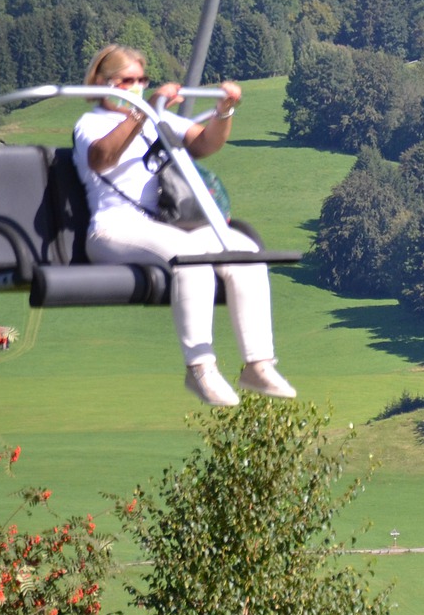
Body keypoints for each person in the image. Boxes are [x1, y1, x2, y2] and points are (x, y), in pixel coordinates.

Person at [73, 45, 293, 407]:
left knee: (246, 252)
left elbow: (205, 144)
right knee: (190, 257)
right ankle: (200, 369)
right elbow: (102, 158)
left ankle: (258, 363)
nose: (137, 87)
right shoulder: (91, 124)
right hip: (112, 230)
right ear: (104, 83)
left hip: (162, 226)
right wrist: (145, 113)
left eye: (142, 80)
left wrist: (225, 112)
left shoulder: (155, 119)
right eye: (128, 81)